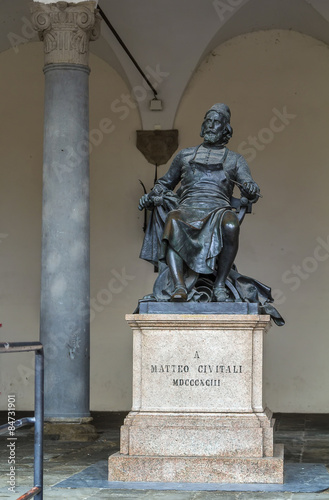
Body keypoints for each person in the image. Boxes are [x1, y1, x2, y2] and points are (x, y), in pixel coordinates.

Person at [139, 103, 260, 302]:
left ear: (225, 130)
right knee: (173, 220)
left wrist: (250, 188)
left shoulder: (235, 159)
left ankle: (220, 284)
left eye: (217, 123)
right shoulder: (184, 155)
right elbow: (165, 183)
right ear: (203, 127)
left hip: (219, 208)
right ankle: (179, 287)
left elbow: (249, 185)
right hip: (187, 207)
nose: (211, 126)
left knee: (231, 226)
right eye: (208, 122)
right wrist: (151, 194)